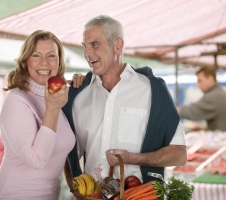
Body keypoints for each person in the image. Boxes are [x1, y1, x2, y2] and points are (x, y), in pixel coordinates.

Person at [62, 15, 187, 187]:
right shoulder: (78, 95)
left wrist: (133, 158)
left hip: (140, 196)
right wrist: (75, 191)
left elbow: (179, 154)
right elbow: (69, 156)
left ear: (118, 45)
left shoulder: (153, 90)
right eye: (85, 46)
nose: (86, 53)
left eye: (94, 44)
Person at [0, 30, 83, 200]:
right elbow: (37, 160)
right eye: (36, 55)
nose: (44, 63)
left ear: (59, 62)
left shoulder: (59, 98)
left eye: (51, 56)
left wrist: (80, 87)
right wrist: (52, 109)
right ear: (26, 61)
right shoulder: (16, 100)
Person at [178, 67, 226, 155]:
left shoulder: (214, 96)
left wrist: (169, 110)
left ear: (210, 79)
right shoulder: (219, 93)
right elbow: (223, 122)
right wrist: (203, 127)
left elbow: (192, 111)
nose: (197, 85)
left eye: (200, 81)